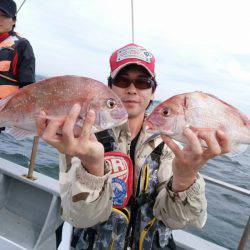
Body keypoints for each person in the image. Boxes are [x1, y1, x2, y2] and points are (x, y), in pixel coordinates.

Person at [37, 43, 231, 249]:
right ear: (108, 87)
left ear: (153, 91)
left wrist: (185, 176)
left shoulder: (171, 144)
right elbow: (80, 218)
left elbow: (177, 221)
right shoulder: (81, 137)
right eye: (122, 80)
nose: (131, 89)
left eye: (142, 82)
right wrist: (92, 168)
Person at [0, 0, 35, 99]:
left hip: (5, 112)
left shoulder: (22, 46)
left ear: (14, 21)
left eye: (5, 16)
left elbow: (28, 91)